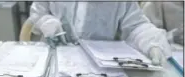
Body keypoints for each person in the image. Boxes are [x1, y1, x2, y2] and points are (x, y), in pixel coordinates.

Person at [22, 2, 172, 65]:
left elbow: (136, 25)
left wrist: (152, 43)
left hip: (100, 67)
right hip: (53, 59)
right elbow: (37, 13)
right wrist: (45, 21)